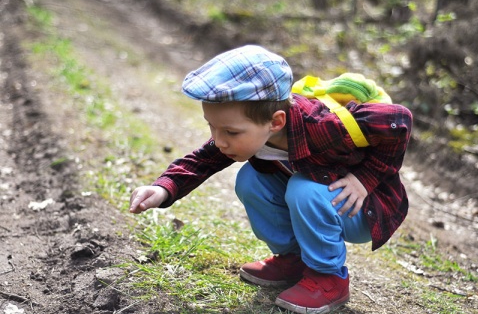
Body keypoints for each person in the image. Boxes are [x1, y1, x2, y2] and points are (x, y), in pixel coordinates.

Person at [129, 45, 413, 313]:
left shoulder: (325, 126)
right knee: (251, 179)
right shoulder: (253, 130)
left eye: (231, 132)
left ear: (276, 121)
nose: (219, 140)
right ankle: (293, 260)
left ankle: (329, 279)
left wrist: (365, 178)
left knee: (304, 190)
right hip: (328, 198)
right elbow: (201, 161)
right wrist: (162, 188)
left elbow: (399, 119)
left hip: (364, 207)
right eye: (212, 127)